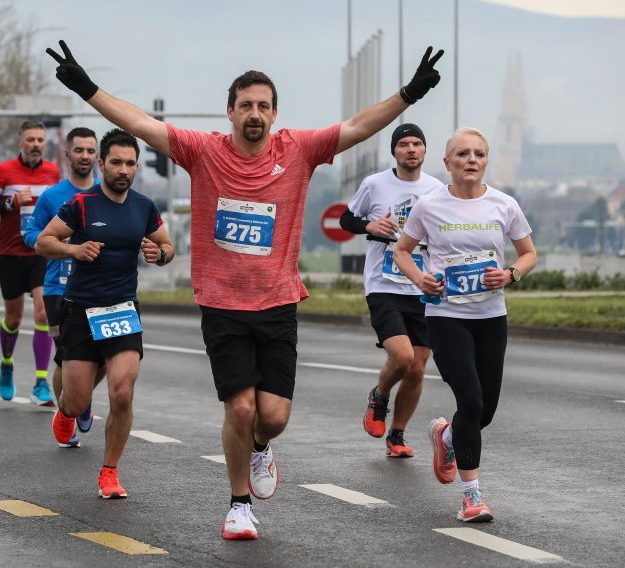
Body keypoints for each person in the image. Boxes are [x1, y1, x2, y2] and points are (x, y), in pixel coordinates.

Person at [46, 39, 443, 539]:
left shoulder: (298, 149)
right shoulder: (203, 150)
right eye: (245, 106)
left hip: (277, 301)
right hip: (222, 303)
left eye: (263, 106)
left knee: (271, 418)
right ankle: (238, 505)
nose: (254, 114)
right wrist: (85, 87)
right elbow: (138, 122)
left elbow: (359, 126)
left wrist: (409, 93)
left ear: (275, 113)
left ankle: (261, 447)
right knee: (240, 407)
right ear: (229, 111)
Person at [392, 127, 537, 522]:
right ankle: (472, 497)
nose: (471, 160)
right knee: (470, 401)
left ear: (486, 160)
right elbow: (403, 251)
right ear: (447, 163)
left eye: (478, 154)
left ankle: (447, 435)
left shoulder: (504, 205)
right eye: (462, 154)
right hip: (446, 316)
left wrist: (510, 274)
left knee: (484, 412)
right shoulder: (430, 205)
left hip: (491, 316)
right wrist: (419, 278)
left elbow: (528, 254)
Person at [36, 128, 174, 498]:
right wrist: (74, 250)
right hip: (80, 309)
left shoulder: (144, 206)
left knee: (123, 393)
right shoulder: (82, 204)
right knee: (76, 401)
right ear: (102, 164)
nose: (123, 169)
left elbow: (167, 245)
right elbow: (43, 241)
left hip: (122, 310)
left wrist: (159, 255)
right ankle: (66, 413)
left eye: (130, 163)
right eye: (116, 162)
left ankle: (110, 472)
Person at [340, 123, 442, 457]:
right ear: (395, 151)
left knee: (417, 366)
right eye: (404, 144)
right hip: (383, 284)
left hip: (422, 284)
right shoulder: (374, 184)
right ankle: (380, 394)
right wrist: (369, 225)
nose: (411, 149)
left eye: (417, 144)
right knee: (402, 356)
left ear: (425, 151)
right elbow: (346, 219)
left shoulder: (438, 189)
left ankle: (397, 436)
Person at [22, 127, 106, 447]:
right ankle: (69, 412)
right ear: (67, 154)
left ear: (97, 156)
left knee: (98, 355)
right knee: (67, 355)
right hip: (59, 286)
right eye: (79, 150)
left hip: (98, 286)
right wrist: (61, 241)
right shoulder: (52, 196)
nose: (85, 156)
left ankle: (79, 399)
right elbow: (33, 236)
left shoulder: (105, 194)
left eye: (90, 150)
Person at [0, 120, 60, 406]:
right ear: (20, 143)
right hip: (11, 254)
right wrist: (11, 202)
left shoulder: (53, 172)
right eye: (31, 140)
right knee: (13, 318)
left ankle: (40, 382)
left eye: (40, 140)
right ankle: (7, 362)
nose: (36, 145)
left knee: (42, 315)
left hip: (40, 253)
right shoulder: (4, 171)